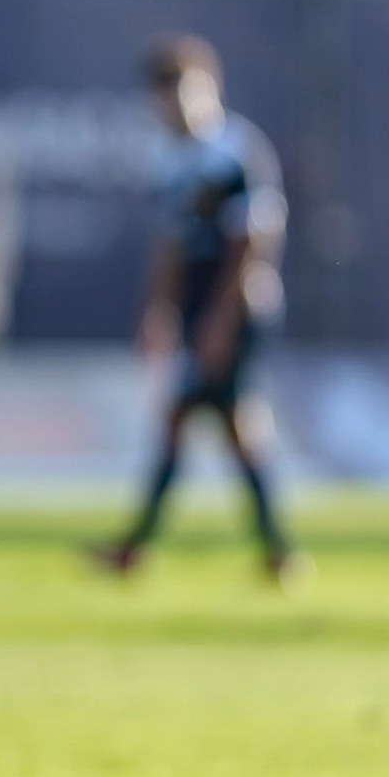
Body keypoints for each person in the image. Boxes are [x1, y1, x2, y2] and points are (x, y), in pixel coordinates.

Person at [94, 35, 306, 586]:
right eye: (163, 97)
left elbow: (254, 243)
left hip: (234, 308)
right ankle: (277, 552)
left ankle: (135, 545)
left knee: (181, 419)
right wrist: (159, 311)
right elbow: (170, 244)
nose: (173, 108)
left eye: (183, 93)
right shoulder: (170, 159)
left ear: (209, 89)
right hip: (197, 309)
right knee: (233, 427)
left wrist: (221, 320)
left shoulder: (236, 151)